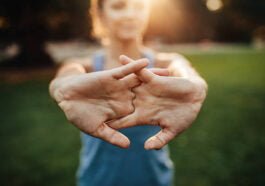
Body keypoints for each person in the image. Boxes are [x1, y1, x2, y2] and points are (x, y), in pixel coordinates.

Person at [49, 0, 207, 185]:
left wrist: (195, 85)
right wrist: (61, 88)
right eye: (118, 6)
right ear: (100, 14)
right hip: (97, 180)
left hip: (154, 179)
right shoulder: (84, 66)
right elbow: (65, 79)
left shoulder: (166, 63)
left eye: (139, 6)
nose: (131, 14)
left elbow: (186, 74)